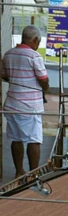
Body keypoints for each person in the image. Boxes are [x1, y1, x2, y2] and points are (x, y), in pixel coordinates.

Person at [1, 26, 49, 177]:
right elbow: (43, 79)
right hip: (30, 106)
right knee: (34, 140)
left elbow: (4, 75)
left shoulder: (8, 54)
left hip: (12, 104)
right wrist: (45, 87)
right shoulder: (34, 56)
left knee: (16, 139)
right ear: (34, 40)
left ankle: (19, 171)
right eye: (38, 42)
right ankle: (34, 174)